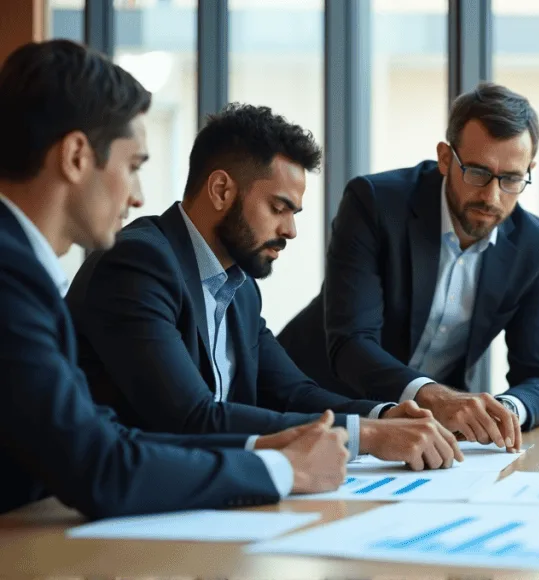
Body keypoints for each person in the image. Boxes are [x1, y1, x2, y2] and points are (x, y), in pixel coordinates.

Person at [0, 39, 347, 519]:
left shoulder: (25, 272)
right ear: (77, 155)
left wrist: (266, 446)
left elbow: (107, 435)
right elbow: (102, 468)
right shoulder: (14, 278)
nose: (139, 196)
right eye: (133, 166)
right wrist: (283, 470)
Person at [65, 103, 463, 472]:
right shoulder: (139, 264)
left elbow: (293, 392)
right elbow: (190, 417)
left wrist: (384, 415)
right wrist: (368, 437)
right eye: (278, 208)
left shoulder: (239, 288)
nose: (290, 230)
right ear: (221, 190)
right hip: (95, 506)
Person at [277, 83, 539, 451]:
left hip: (421, 436)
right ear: (445, 158)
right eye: (477, 172)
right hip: (317, 408)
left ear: (529, 170)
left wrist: (503, 410)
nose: (492, 197)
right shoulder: (375, 203)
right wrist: (434, 397)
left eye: (511, 179)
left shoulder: (532, 243)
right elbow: (351, 343)